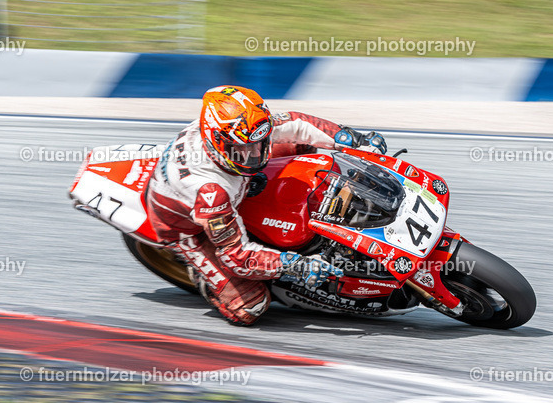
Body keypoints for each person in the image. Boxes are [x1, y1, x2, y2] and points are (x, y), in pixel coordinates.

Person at [146, 85, 387, 326]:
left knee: (300, 146)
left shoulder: (240, 128)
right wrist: (295, 265)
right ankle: (204, 276)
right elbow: (236, 256)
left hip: (232, 187)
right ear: (217, 143)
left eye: (260, 144)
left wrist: (354, 140)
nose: (255, 155)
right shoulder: (210, 191)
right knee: (251, 307)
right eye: (242, 150)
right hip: (189, 228)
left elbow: (297, 124)